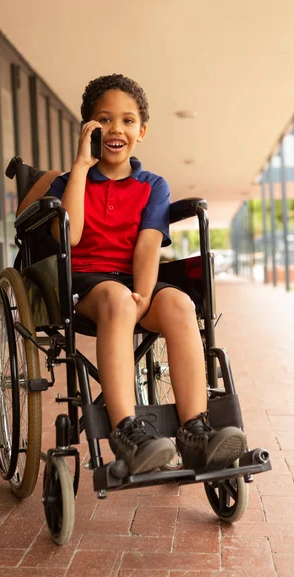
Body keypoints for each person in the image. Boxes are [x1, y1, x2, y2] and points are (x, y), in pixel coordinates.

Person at [48, 74, 246, 475]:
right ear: (88, 128)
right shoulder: (69, 182)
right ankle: (125, 430)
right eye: (104, 120)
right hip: (86, 283)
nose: (116, 129)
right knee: (118, 299)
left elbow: (147, 247)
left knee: (178, 302)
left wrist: (141, 297)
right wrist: (82, 167)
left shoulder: (152, 185)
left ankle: (195, 429)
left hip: (133, 280)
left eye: (127, 120)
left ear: (142, 131)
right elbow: (70, 235)